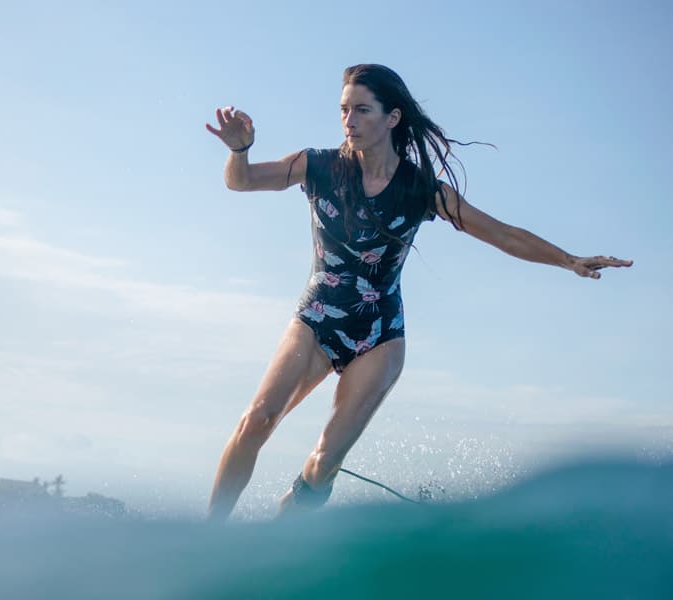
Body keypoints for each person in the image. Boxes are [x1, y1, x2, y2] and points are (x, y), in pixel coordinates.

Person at [203, 64, 632, 521]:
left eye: (362, 110)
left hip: (380, 335)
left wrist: (568, 260)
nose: (349, 120)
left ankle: (279, 538)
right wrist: (240, 150)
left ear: (392, 118)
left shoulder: (422, 190)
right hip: (316, 319)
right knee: (257, 420)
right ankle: (209, 539)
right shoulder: (317, 165)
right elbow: (241, 180)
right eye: (344, 110)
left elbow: (502, 234)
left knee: (324, 463)